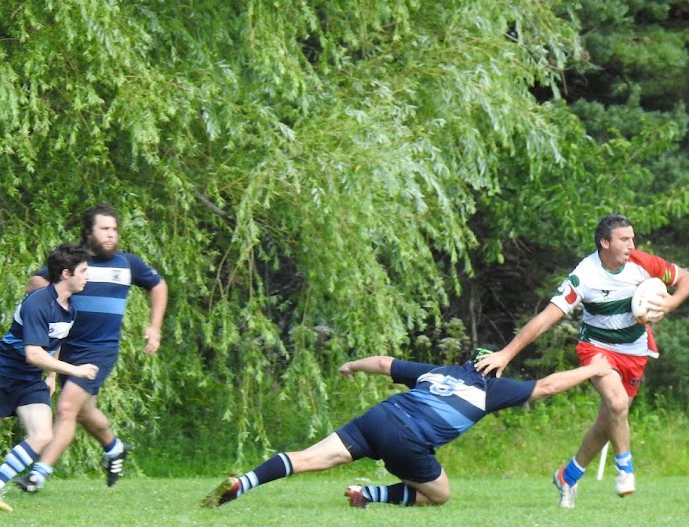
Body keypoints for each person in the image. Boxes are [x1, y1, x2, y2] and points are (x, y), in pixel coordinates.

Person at [202, 349, 612, 509]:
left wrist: (349, 365)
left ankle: (245, 482)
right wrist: (593, 368)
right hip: (409, 440)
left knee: (309, 458)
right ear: (491, 368)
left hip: (379, 417)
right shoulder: (492, 389)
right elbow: (548, 385)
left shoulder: (437, 372)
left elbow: (383, 363)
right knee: (440, 495)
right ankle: (371, 495)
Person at [475, 214, 689, 508]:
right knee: (617, 405)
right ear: (605, 243)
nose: (632, 244)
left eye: (632, 238)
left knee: (608, 422)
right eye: (624, 239)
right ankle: (625, 470)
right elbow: (545, 319)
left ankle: (567, 477)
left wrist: (670, 302)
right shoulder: (585, 276)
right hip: (597, 349)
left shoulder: (644, 263)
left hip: (634, 351)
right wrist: (506, 353)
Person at [13, 203, 167, 493]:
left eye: (114, 229)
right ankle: (115, 447)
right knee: (84, 412)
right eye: (104, 229)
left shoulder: (128, 264)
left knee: (67, 407)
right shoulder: (75, 264)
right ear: (88, 232)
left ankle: (37, 475)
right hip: (65, 348)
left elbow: (158, 285)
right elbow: (37, 281)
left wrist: (154, 327)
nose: (111, 235)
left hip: (100, 351)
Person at [0, 245, 99, 510]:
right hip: (4, 372)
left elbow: (54, 343)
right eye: (84, 271)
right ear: (66, 274)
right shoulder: (37, 302)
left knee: (42, 435)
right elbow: (33, 353)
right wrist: (75, 370)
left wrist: (52, 376)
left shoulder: (69, 308)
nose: (87, 276)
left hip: (31, 381)